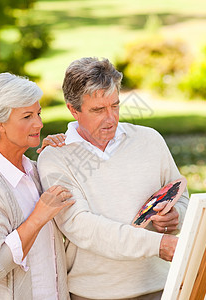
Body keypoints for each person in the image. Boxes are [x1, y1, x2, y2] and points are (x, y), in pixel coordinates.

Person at [37, 57, 190, 300]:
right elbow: (82, 227)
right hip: (94, 294)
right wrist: (157, 244)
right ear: (73, 109)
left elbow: (181, 198)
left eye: (115, 106)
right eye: (98, 110)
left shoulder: (150, 140)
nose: (111, 119)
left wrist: (175, 217)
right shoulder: (55, 158)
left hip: (161, 287)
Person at [0, 72, 74, 300]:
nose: (39, 123)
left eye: (38, 113)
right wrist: (39, 216)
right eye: (27, 116)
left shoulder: (34, 171)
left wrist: (54, 157)